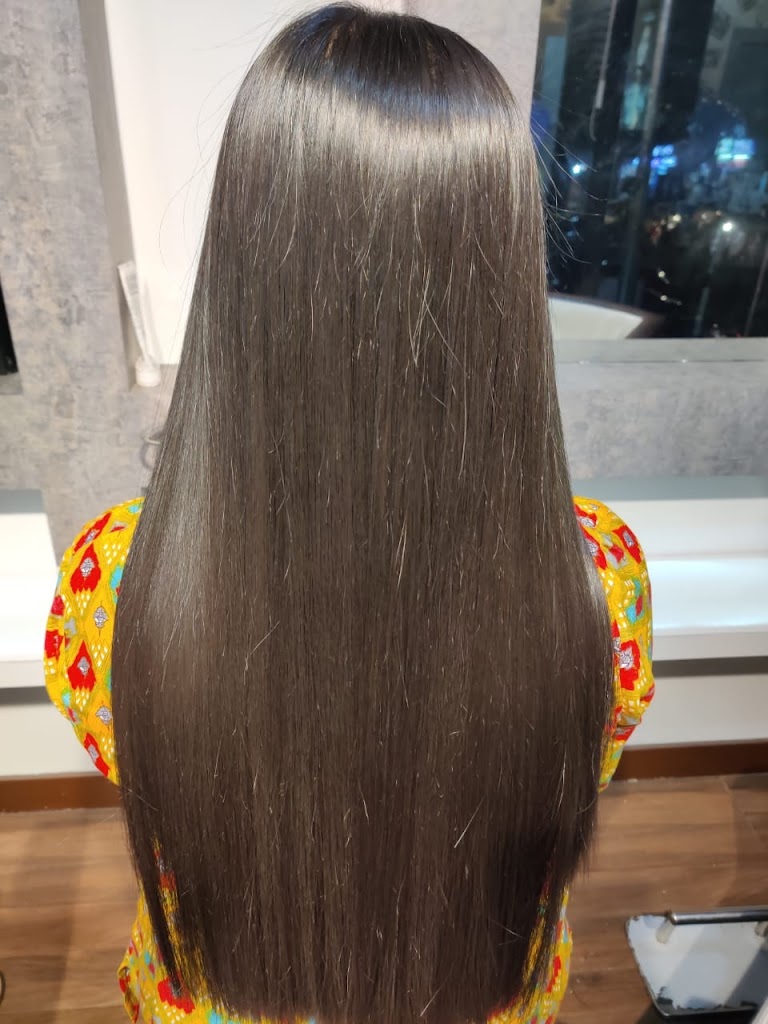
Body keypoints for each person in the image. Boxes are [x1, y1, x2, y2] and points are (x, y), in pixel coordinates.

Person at [44, 6, 654, 1023]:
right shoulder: (597, 576)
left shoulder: (116, 582)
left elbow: (133, 761)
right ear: (503, 274)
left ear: (245, 260)